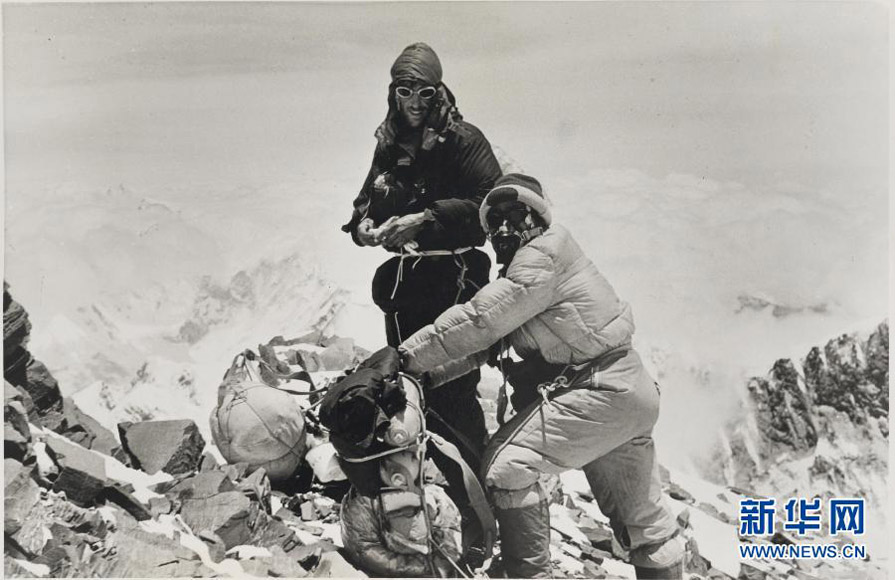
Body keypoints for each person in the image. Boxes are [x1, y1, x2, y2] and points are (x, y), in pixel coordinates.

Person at [398, 173, 686, 579]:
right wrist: (425, 377)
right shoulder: (537, 270)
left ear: (539, 217)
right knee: (644, 521)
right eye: (492, 220)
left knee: (506, 466)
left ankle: (528, 574)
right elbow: (486, 345)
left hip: (599, 390)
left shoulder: (541, 258)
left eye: (515, 214)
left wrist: (401, 358)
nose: (502, 227)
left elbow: (479, 322)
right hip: (628, 393)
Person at [342, 42, 502, 558]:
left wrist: (425, 218)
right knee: (408, 393)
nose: (412, 100)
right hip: (408, 286)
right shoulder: (390, 140)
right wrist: (362, 226)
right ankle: (429, 514)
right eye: (403, 90)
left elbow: (489, 202)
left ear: (439, 92)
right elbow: (367, 197)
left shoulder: (462, 139)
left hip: (453, 280)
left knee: (453, 393)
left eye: (422, 91)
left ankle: (477, 526)